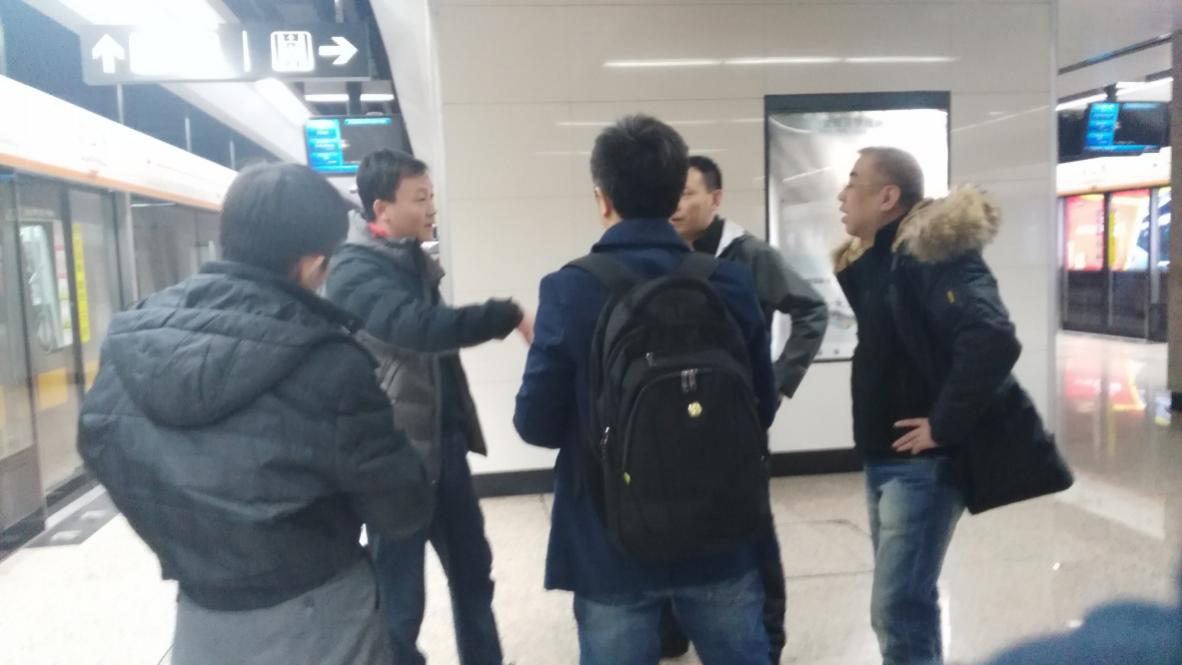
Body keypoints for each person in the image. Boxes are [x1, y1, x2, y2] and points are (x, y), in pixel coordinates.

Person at [77, 163, 432, 665]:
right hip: (319, 616)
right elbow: (401, 507)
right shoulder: (328, 363)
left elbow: (99, 443)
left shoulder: (133, 336)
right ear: (312, 264)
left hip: (201, 620)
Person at [514, 114, 779, 665]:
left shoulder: (569, 289)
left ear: (603, 198)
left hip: (609, 542)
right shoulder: (728, 281)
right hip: (720, 529)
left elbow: (535, 425)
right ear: (674, 193)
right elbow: (761, 404)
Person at [325, 149, 526, 665]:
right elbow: (418, 329)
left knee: (473, 576)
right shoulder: (353, 270)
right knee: (400, 600)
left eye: (431, 195)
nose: (431, 207)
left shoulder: (409, 257)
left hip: (444, 447)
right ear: (381, 208)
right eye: (420, 198)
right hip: (395, 459)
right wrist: (505, 315)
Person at [834, 146, 1034, 665]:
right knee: (906, 602)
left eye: (852, 181)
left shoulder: (933, 255)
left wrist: (942, 425)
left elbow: (991, 336)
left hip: (922, 465)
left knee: (897, 606)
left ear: (887, 196)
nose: (841, 194)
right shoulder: (881, 261)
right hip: (885, 457)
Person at [665, 154, 829, 662]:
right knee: (671, 519)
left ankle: (768, 636)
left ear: (715, 198)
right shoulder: (663, 252)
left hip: (736, 419)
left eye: (687, 193)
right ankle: (672, 630)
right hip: (672, 420)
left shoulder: (747, 254)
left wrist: (778, 382)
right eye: (671, 193)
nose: (676, 204)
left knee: (752, 527)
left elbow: (811, 309)